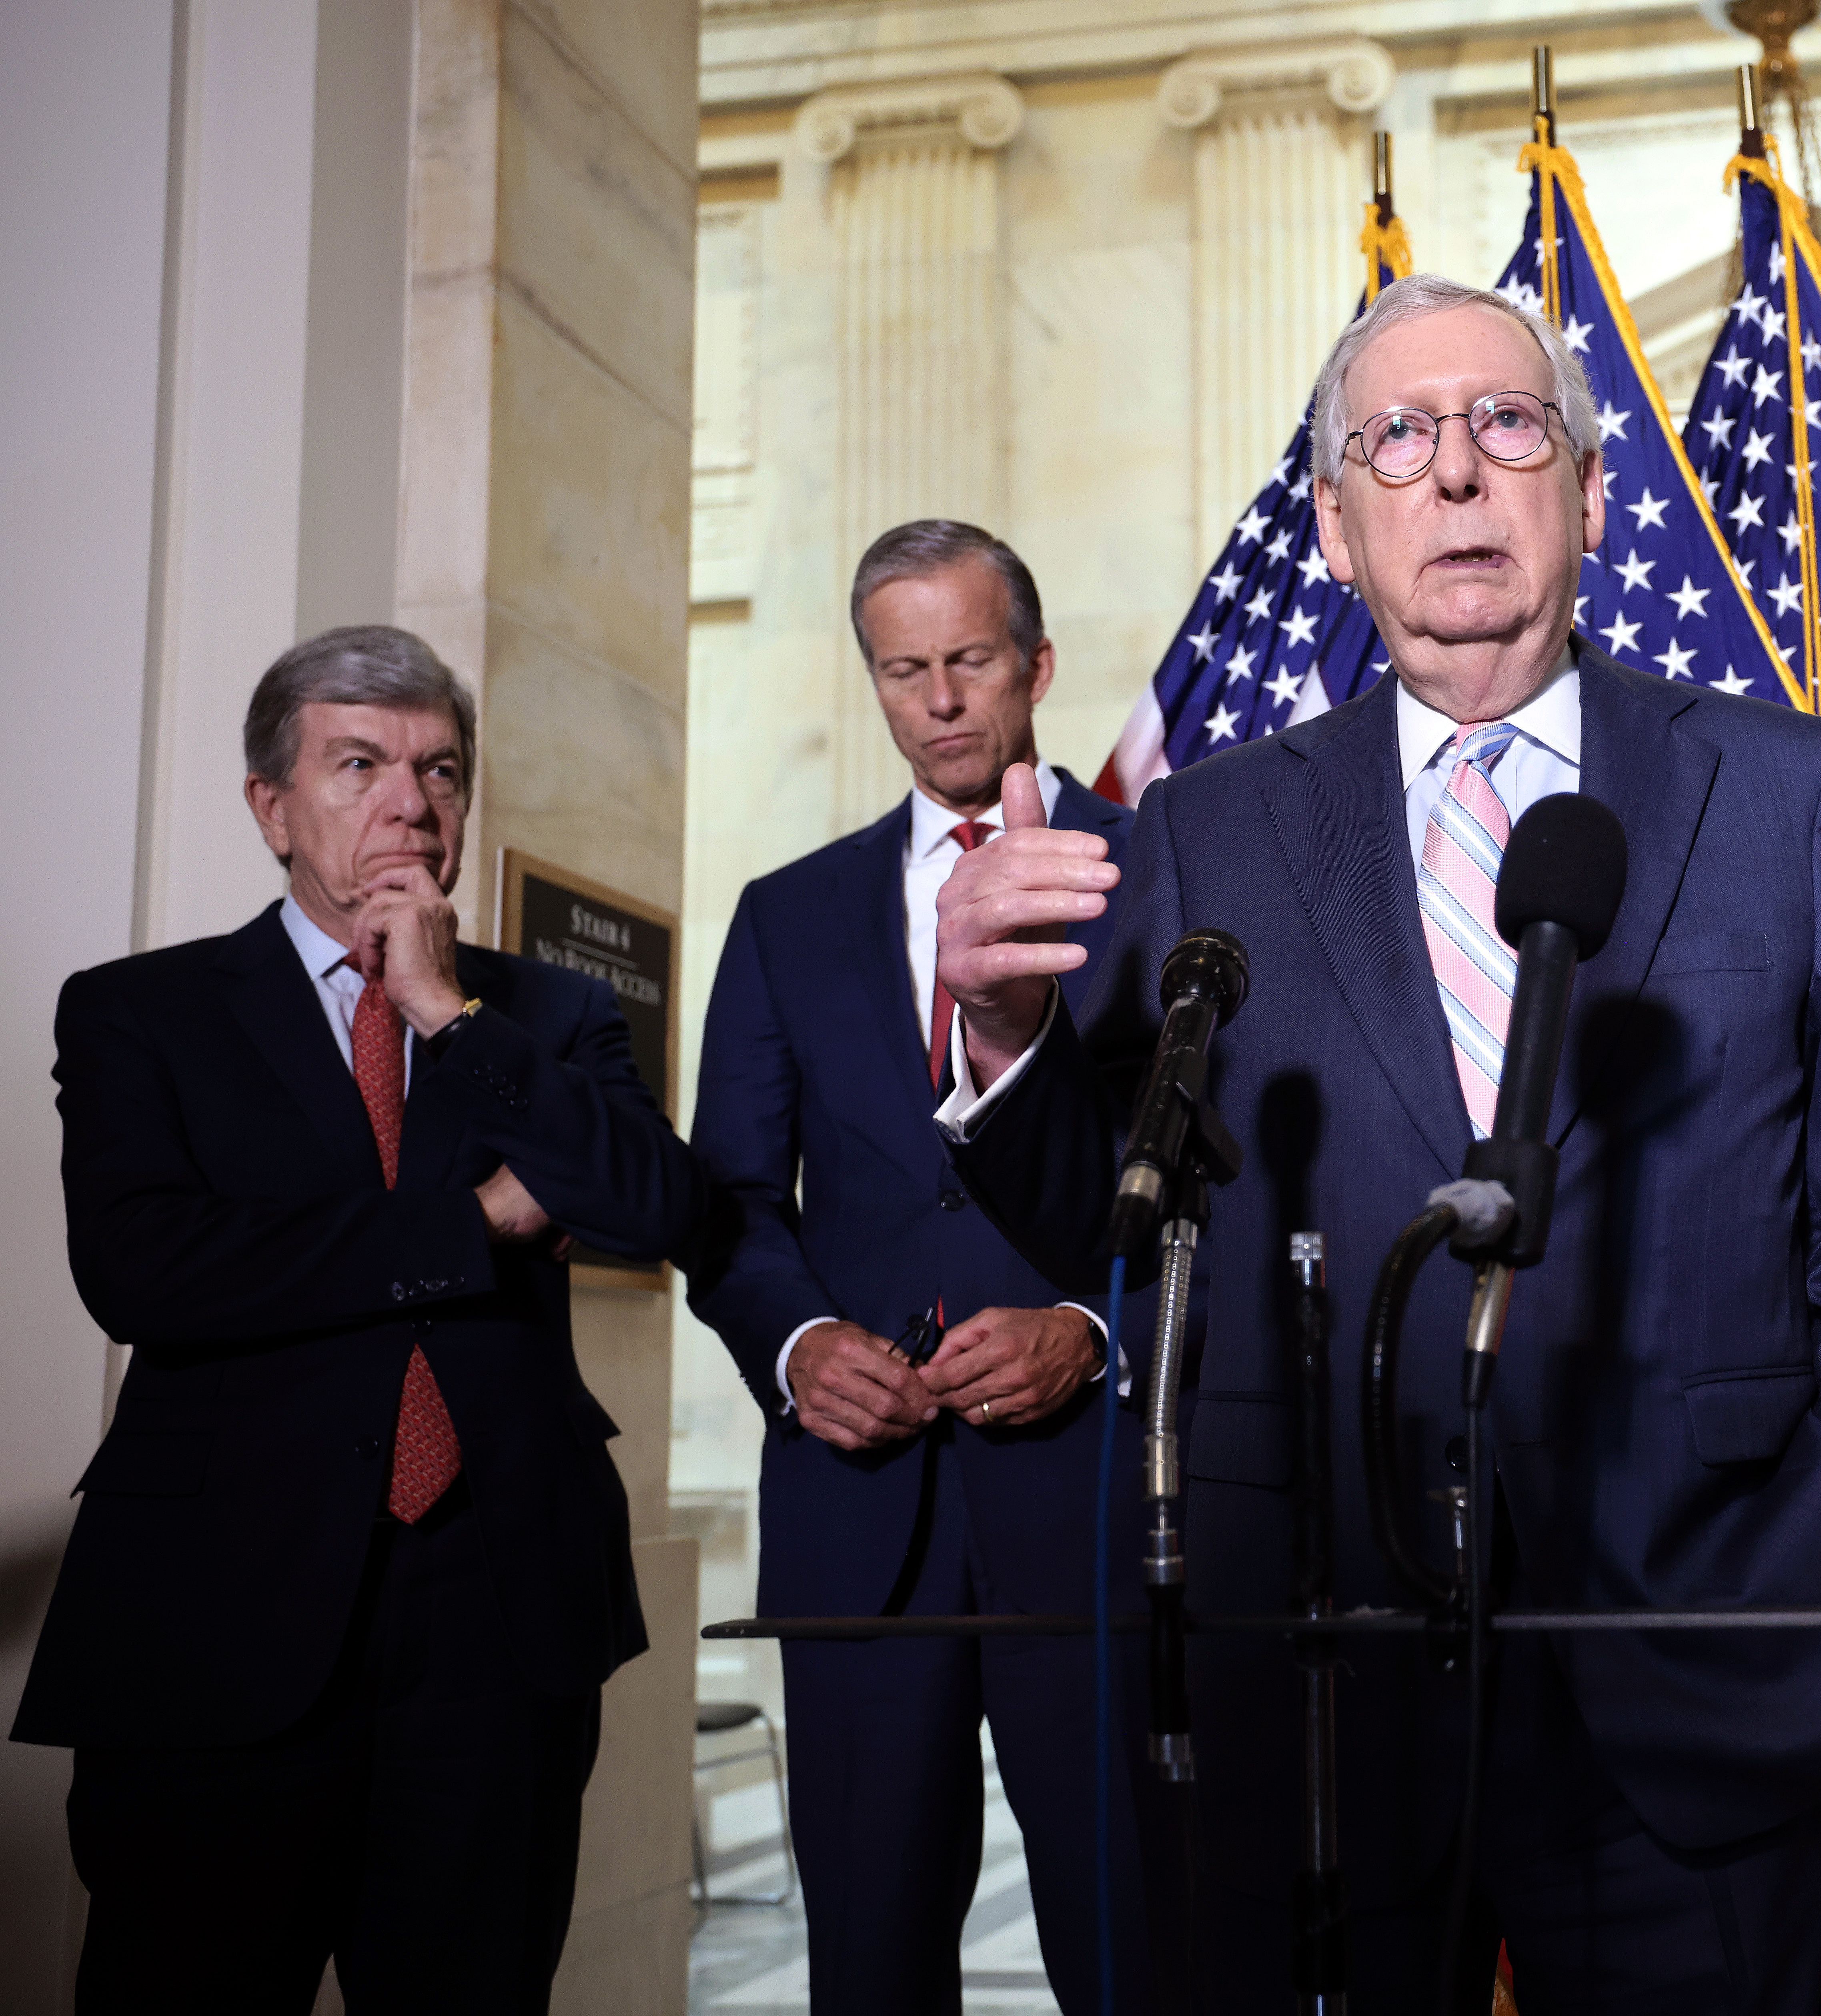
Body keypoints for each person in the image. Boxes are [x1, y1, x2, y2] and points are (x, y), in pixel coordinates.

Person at [926, 272, 1821, 2012]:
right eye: (1398, 439)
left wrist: (1802, 1569)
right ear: (1335, 530)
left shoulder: (1779, 789)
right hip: (1322, 1693)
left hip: (1693, 1683)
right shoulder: (1208, 829)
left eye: (1507, 426)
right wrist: (1006, 1031)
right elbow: (1099, 1224)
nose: (1459, 474)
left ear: (1588, 492)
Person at [16, 625, 699, 2014]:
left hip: (497, 1623)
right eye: (360, 764)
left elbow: (655, 1207)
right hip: (219, 1619)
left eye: (440, 769)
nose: (410, 801)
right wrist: (479, 1222)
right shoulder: (139, 1013)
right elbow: (149, 1269)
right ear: (273, 806)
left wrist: (446, 1011)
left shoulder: (549, 1017)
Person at [684, 520, 1157, 2014]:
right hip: (856, 1509)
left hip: (1086, 1496)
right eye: (904, 671)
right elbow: (731, 1206)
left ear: (1036, 666)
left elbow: (1225, 1181)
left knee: (1130, 1938)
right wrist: (799, 1342)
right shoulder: (787, 916)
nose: (940, 700)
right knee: (871, 1954)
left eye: (968, 661)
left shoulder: (1163, 874)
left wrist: (1092, 1326)